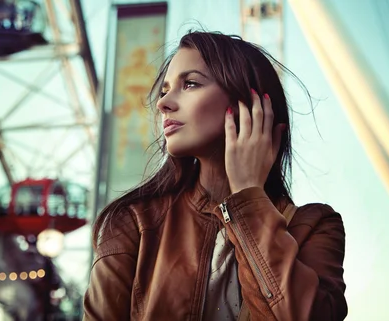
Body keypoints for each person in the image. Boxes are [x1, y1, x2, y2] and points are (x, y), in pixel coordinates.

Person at [83, 30, 347, 321]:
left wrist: (249, 197)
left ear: (252, 103)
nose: (163, 104)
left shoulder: (315, 227)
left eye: (191, 84)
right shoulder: (133, 222)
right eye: (164, 91)